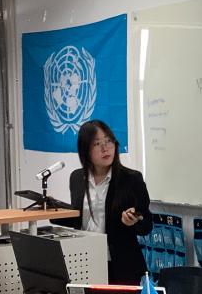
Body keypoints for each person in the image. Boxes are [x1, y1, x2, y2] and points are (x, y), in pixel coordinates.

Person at [64, 120, 153, 284]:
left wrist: (134, 220)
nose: (105, 148)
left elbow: (147, 224)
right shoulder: (76, 178)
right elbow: (78, 219)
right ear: (85, 150)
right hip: (85, 261)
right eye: (97, 144)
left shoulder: (131, 179)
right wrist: (52, 211)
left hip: (121, 266)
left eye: (109, 141)